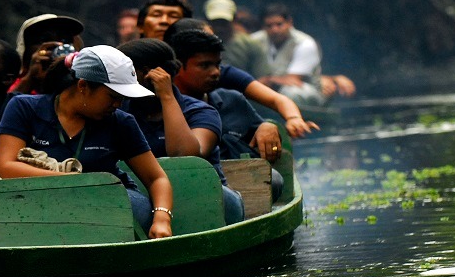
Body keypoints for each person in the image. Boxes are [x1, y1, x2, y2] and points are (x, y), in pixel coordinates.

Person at [0, 45, 174, 238]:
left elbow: (156, 178)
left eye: (122, 99)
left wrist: (162, 219)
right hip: (41, 200)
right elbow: (7, 166)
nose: (118, 105)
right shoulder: (25, 108)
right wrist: (82, 184)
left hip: (111, 201)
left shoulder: (121, 122)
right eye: (113, 97)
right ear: (83, 86)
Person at [118, 38, 244, 225]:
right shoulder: (120, 113)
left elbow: (184, 155)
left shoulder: (200, 111)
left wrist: (167, 97)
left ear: (147, 74)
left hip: (207, 198)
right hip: (143, 196)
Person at [167, 29, 285, 202]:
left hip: (240, 182)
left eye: (217, 65)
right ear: (177, 68)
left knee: (272, 180)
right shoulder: (162, 108)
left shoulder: (232, 100)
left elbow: (260, 127)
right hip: (186, 189)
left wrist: (267, 125)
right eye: (204, 65)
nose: (215, 72)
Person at [165, 18, 320, 141]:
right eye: (204, 40)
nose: (214, 71)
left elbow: (276, 99)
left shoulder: (228, 91)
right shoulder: (158, 96)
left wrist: (291, 119)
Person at [251, 4, 327, 107]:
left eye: (279, 24)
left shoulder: (305, 43)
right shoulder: (254, 40)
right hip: (270, 89)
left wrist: (267, 80)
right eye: (269, 26)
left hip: (306, 92)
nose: (275, 30)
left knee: (291, 92)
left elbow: (292, 80)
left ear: (289, 23)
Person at [10, 13, 84, 94]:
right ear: (26, 49)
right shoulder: (9, 81)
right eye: (45, 40)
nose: (57, 45)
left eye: (64, 40)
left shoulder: (81, 83)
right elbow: (4, 105)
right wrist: (31, 78)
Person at [203, 0, 270, 78]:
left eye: (224, 22)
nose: (220, 27)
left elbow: (263, 77)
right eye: (216, 22)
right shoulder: (199, 45)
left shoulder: (250, 45)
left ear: (234, 19)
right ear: (206, 21)